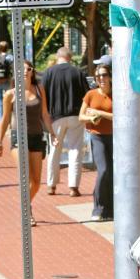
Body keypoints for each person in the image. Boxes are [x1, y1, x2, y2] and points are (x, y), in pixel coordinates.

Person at [0, 60, 53, 226]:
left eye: (29, 69)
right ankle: (27, 213)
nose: (26, 71)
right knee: (26, 177)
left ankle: (25, 205)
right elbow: (5, 118)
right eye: (22, 69)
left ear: (33, 72)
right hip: (17, 138)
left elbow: (45, 114)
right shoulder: (10, 94)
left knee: (36, 182)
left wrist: (53, 132)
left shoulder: (39, 90)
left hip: (36, 136)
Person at [42, 46, 90, 197]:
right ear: (70, 58)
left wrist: (46, 116)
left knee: (54, 150)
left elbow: (43, 95)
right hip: (75, 115)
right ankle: (73, 186)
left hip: (55, 116)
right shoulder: (78, 72)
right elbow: (86, 94)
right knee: (75, 149)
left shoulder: (49, 72)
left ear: (58, 57)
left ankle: (51, 184)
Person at [80, 58, 113, 221]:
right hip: (97, 136)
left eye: (104, 75)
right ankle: (98, 208)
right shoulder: (90, 95)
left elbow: (120, 117)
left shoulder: (117, 94)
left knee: (113, 173)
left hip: (114, 137)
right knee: (104, 170)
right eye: (98, 76)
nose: (101, 79)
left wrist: (100, 113)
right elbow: (81, 116)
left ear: (110, 77)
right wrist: (91, 118)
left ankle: (111, 209)